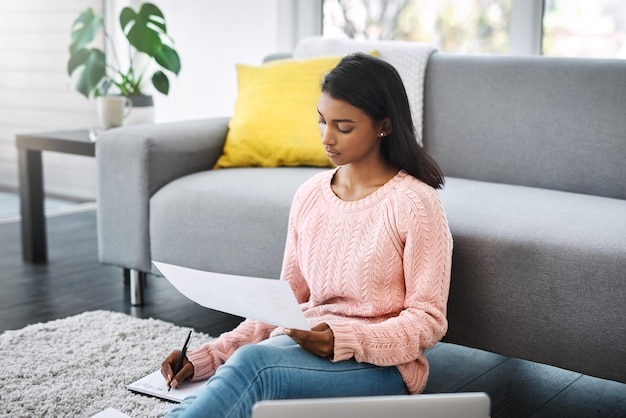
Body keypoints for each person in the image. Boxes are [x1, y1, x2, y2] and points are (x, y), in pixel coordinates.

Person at [162, 53, 453, 418]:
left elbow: (427, 320)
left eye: (343, 127)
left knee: (256, 368)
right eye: (321, 121)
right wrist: (208, 357)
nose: (327, 138)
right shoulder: (310, 195)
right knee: (219, 388)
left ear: (384, 126)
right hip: (300, 347)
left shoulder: (416, 204)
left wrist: (344, 340)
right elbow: (282, 304)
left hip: (382, 367)